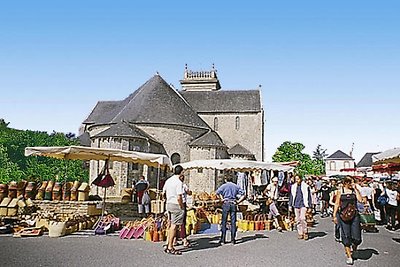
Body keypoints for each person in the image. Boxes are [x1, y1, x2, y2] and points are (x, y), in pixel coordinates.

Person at [333, 176, 363, 265]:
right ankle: (349, 256)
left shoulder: (354, 191)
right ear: (346, 182)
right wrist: (334, 215)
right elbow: (337, 203)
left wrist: (356, 189)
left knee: (357, 237)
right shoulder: (340, 191)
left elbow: (360, 200)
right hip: (343, 216)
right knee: (346, 236)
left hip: (354, 216)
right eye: (351, 182)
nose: (353, 184)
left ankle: (355, 248)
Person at [216, 175, 246, 245]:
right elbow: (244, 194)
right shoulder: (236, 186)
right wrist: (238, 202)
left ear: (226, 179)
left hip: (226, 203)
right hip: (233, 204)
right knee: (233, 222)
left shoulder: (224, 186)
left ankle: (223, 239)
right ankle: (233, 239)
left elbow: (217, 193)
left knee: (224, 222)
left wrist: (221, 199)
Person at [162, 165, 185, 255]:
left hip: (169, 204)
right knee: (174, 226)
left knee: (171, 224)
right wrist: (182, 206)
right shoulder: (178, 182)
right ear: (181, 172)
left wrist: (167, 200)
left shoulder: (168, 180)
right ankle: (170, 246)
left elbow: (163, 193)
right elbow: (179, 197)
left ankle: (168, 243)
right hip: (176, 204)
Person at [289, 175, 312, 240]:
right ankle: (300, 233)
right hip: (296, 204)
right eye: (296, 179)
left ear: (301, 179)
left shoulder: (305, 186)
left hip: (303, 204)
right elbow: (291, 196)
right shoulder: (293, 187)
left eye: (298, 179)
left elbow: (309, 197)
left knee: (303, 218)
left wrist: (310, 206)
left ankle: (305, 232)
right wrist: (290, 205)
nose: (297, 180)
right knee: (297, 219)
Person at [179, 174, 192, 247]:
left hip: (172, 203)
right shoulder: (183, 185)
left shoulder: (170, 183)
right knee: (182, 222)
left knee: (173, 223)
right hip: (181, 203)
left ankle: (173, 239)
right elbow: (188, 192)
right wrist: (190, 192)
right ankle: (184, 239)